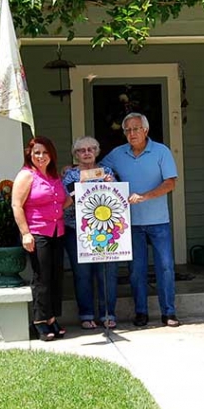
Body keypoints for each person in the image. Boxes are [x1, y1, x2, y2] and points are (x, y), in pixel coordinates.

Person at [100, 112, 181, 328]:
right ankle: (141, 312)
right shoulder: (117, 154)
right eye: (127, 130)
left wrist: (145, 196)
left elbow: (170, 183)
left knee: (165, 267)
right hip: (130, 223)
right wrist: (74, 170)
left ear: (145, 130)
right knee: (137, 270)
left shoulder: (161, 151)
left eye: (136, 129)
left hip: (158, 221)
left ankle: (169, 313)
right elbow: (98, 169)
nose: (132, 133)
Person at [11, 136, 73, 341]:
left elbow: (63, 202)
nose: (41, 156)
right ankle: (38, 321)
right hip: (38, 233)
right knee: (42, 279)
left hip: (57, 231)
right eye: (36, 152)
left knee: (56, 277)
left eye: (45, 152)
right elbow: (16, 205)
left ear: (51, 155)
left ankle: (51, 318)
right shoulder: (26, 176)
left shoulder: (54, 175)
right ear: (29, 154)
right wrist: (25, 233)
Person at [62, 136, 119, 330]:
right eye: (82, 150)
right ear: (75, 154)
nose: (87, 153)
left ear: (97, 151)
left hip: (105, 231)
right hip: (76, 230)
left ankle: (108, 314)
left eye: (91, 149)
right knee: (82, 273)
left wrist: (110, 184)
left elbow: (117, 198)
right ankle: (86, 314)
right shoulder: (70, 175)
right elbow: (65, 200)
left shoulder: (107, 172)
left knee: (107, 273)